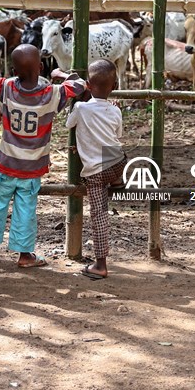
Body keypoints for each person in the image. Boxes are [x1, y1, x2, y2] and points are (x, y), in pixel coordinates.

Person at [0, 45, 86, 268]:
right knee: (26, 211)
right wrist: (60, 74)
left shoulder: (7, 86)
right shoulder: (51, 94)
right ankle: (25, 255)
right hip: (32, 169)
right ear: (41, 67)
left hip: (5, 164)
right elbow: (80, 85)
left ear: (14, 71)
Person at [65, 59, 125, 280]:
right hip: (118, 163)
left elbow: (68, 124)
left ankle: (100, 265)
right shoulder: (115, 110)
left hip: (96, 172)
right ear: (115, 86)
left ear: (88, 85)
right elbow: (118, 135)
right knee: (116, 154)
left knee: (99, 215)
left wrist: (77, 100)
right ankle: (118, 180)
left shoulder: (81, 108)